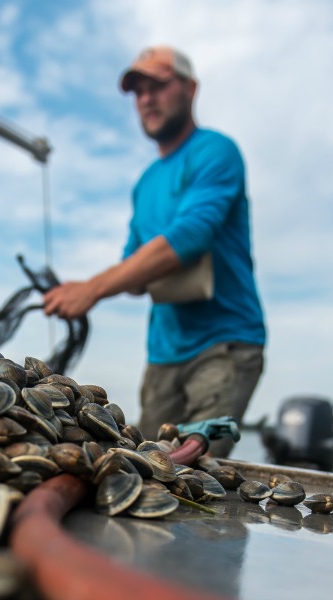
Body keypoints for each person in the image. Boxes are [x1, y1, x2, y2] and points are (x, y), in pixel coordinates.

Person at [43, 46, 266, 457]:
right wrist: (113, 281)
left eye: (158, 86)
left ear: (190, 89)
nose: (146, 98)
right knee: (144, 464)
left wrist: (91, 288)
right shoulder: (145, 184)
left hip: (224, 346)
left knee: (192, 470)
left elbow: (192, 234)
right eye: (138, 91)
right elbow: (135, 277)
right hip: (163, 353)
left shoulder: (216, 152)